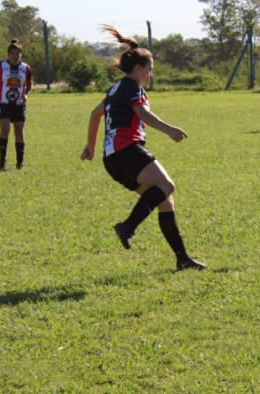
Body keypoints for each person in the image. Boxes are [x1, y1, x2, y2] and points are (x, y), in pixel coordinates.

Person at [80, 25, 205, 271]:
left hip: (112, 160)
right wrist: (170, 130)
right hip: (127, 151)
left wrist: (91, 146)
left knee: (166, 203)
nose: (151, 74)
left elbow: (95, 115)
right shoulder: (133, 89)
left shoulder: (115, 88)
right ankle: (127, 226)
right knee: (167, 186)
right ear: (138, 68)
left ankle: (182, 259)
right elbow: (143, 114)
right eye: (150, 69)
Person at [0, 39, 33, 171]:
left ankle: (19, 163)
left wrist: (26, 94)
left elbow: (29, 83)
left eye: (17, 54)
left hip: (18, 104)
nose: (15, 56)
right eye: (12, 54)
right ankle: (2, 162)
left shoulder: (25, 68)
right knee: (5, 129)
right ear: (8, 54)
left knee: (19, 131)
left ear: (20, 55)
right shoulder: (0, 66)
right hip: (2, 103)